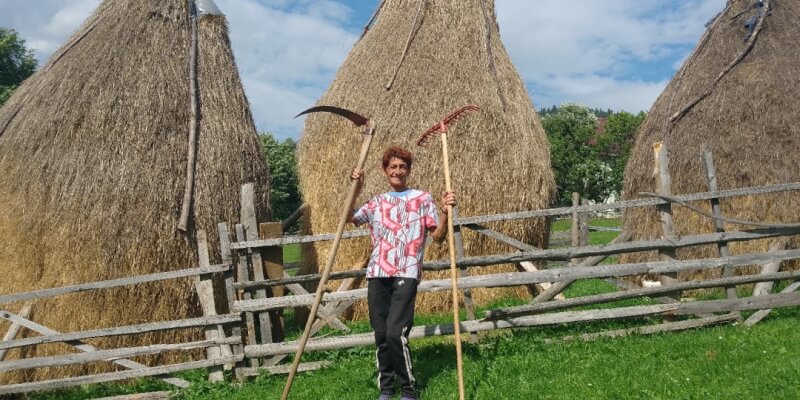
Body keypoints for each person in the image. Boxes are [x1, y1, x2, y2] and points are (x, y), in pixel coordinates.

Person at [348, 146, 456, 400]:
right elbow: (349, 218)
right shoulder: (376, 202)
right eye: (393, 167)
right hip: (377, 273)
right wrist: (356, 188)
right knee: (381, 334)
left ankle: (408, 389)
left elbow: (438, 237)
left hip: (406, 271)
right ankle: (386, 388)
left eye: (402, 167)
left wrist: (445, 211)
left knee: (396, 333)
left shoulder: (422, 199)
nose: (398, 171)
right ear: (385, 171)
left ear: (408, 171)